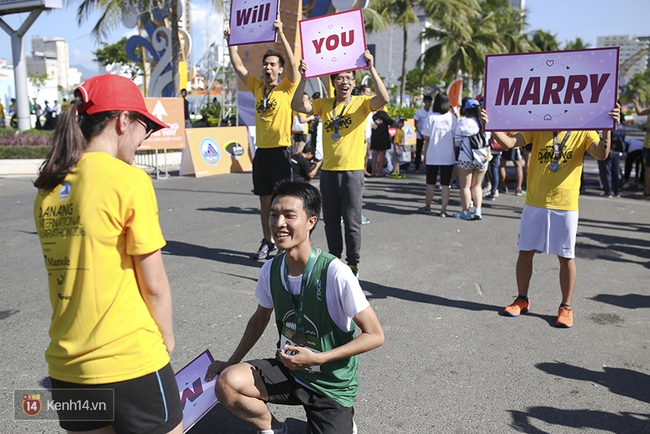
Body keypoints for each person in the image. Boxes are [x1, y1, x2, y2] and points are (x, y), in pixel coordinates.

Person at [32, 74, 182, 433]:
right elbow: (155, 284)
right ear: (123, 121)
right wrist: (166, 339)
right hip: (131, 360)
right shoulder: (128, 180)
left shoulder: (48, 186)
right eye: (144, 127)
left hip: (68, 367)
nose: (144, 139)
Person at [205, 180, 384, 434]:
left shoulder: (335, 273)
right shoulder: (271, 269)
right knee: (228, 383)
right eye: (274, 214)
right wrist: (232, 361)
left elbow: (375, 335)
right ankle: (274, 429)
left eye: (289, 216)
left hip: (329, 382)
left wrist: (319, 357)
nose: (279, 223)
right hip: (290, 370)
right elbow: (259, 319)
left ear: (311, 221)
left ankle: (342, 422)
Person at [485, 103, 621, 328]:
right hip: (535, 201)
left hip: (565, 204)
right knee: (525, 251)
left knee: (566, 256)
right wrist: (490, 125)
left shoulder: (584, 128)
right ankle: (522, 299)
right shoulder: (540, 124)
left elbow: (601, 154)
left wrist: (607, 127)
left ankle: (565, 306)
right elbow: (508, 142)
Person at [291, 50, 389, 277]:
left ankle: (353, 264)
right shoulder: (324, 104)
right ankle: (335, 260)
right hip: (328, 172)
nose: (345, 82)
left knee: (352, 221)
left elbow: (383, 99)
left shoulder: (361, 103)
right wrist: (303, 76)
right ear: (333, 82)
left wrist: (371, 68)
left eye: (349, 78)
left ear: (354, 82)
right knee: (331, 221)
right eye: (340, 78)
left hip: (352, 171)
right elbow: (297, 105)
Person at [225, 19, 299, 260]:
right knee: (265, 200)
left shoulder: (286, 87)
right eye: (265, 64)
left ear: (280, 69)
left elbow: (295, 67)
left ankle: (285, 244)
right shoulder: (258, 87)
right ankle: (268, 242)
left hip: (280, 151)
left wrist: (281, 33)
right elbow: (238, 67)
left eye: (272, 65)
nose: (268, 68)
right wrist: (230, 42)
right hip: (262, 152)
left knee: (283, 202)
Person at [420, 92, 457, 216]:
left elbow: (427, 139)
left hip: (433, 154)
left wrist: (424, 155)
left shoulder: (431, 118)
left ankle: (428, 206)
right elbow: (455, 138)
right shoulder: (452, 117)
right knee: (446, 184)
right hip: (448, 155)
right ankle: (443, 210)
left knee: (430, 183)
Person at [453, 99, 490, 220]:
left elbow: (457, 143)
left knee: (465, 186)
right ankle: (478, 210)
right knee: (477, 186)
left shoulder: (464, 122)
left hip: (466, 158)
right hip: (482, 158)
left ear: (466, 110)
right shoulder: (485, 122)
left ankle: (466, 211)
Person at [598, 120, 624, 197]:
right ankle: (617, 191)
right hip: (617, 151)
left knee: (606, 172)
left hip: (607, 150)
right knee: (616, 171)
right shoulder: (621, 127)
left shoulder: (605, 125)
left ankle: (608, 191)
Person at [632, 95, 650, 197]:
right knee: (647, 170)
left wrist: (644, 129)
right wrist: (636, 102)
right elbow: (640, 112)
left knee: (648, 170)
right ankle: (647, 191)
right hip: (647, 145)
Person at [413, 94, 433, 171]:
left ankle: (429, 165)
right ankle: (417, 166)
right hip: (420, 134)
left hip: (430, 134)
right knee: (418, 150)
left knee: (430, 150)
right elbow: (415, 123)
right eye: (427, 101)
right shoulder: (419, 112)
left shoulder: (432, 111)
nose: (428, 103)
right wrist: (421, 133)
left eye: (430, 102)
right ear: (424, 102)